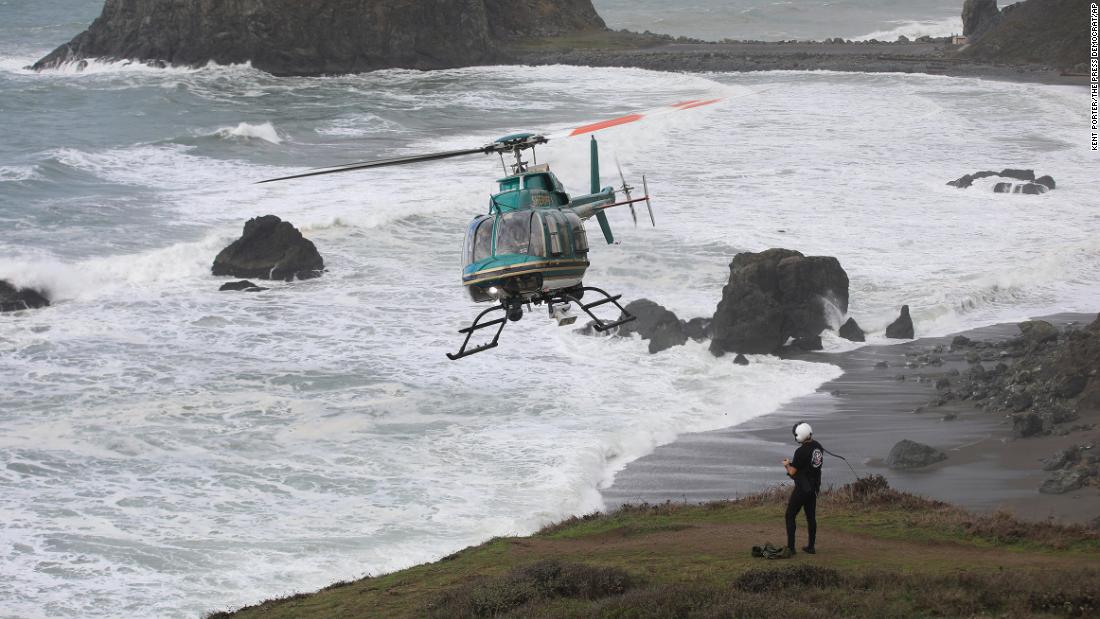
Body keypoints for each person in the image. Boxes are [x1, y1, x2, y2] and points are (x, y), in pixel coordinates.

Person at [782, 422, 823, 555]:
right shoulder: (818, 447)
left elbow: (793, 472)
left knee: (790, 515)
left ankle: (791, 548)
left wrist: (787, 465)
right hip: (814, 488)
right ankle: (811, 547)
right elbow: (808, 466)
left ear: (800, 436)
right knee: (811, 517)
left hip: (803, 488)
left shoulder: (800, 451)